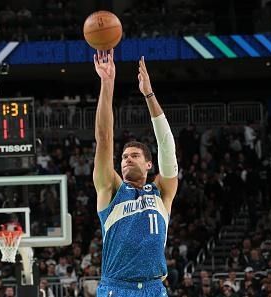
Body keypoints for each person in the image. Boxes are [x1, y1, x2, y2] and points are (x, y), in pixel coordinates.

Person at [93, 50, 178, 297]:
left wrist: (149, 95)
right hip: (116, 288)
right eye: (124, 157)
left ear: (149, 164)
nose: (126, 160)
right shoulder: (111, 189)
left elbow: (167, 145)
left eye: (134, 156)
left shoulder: (162, 192)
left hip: (154, 288)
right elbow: (104, 138)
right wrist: (107, 83)